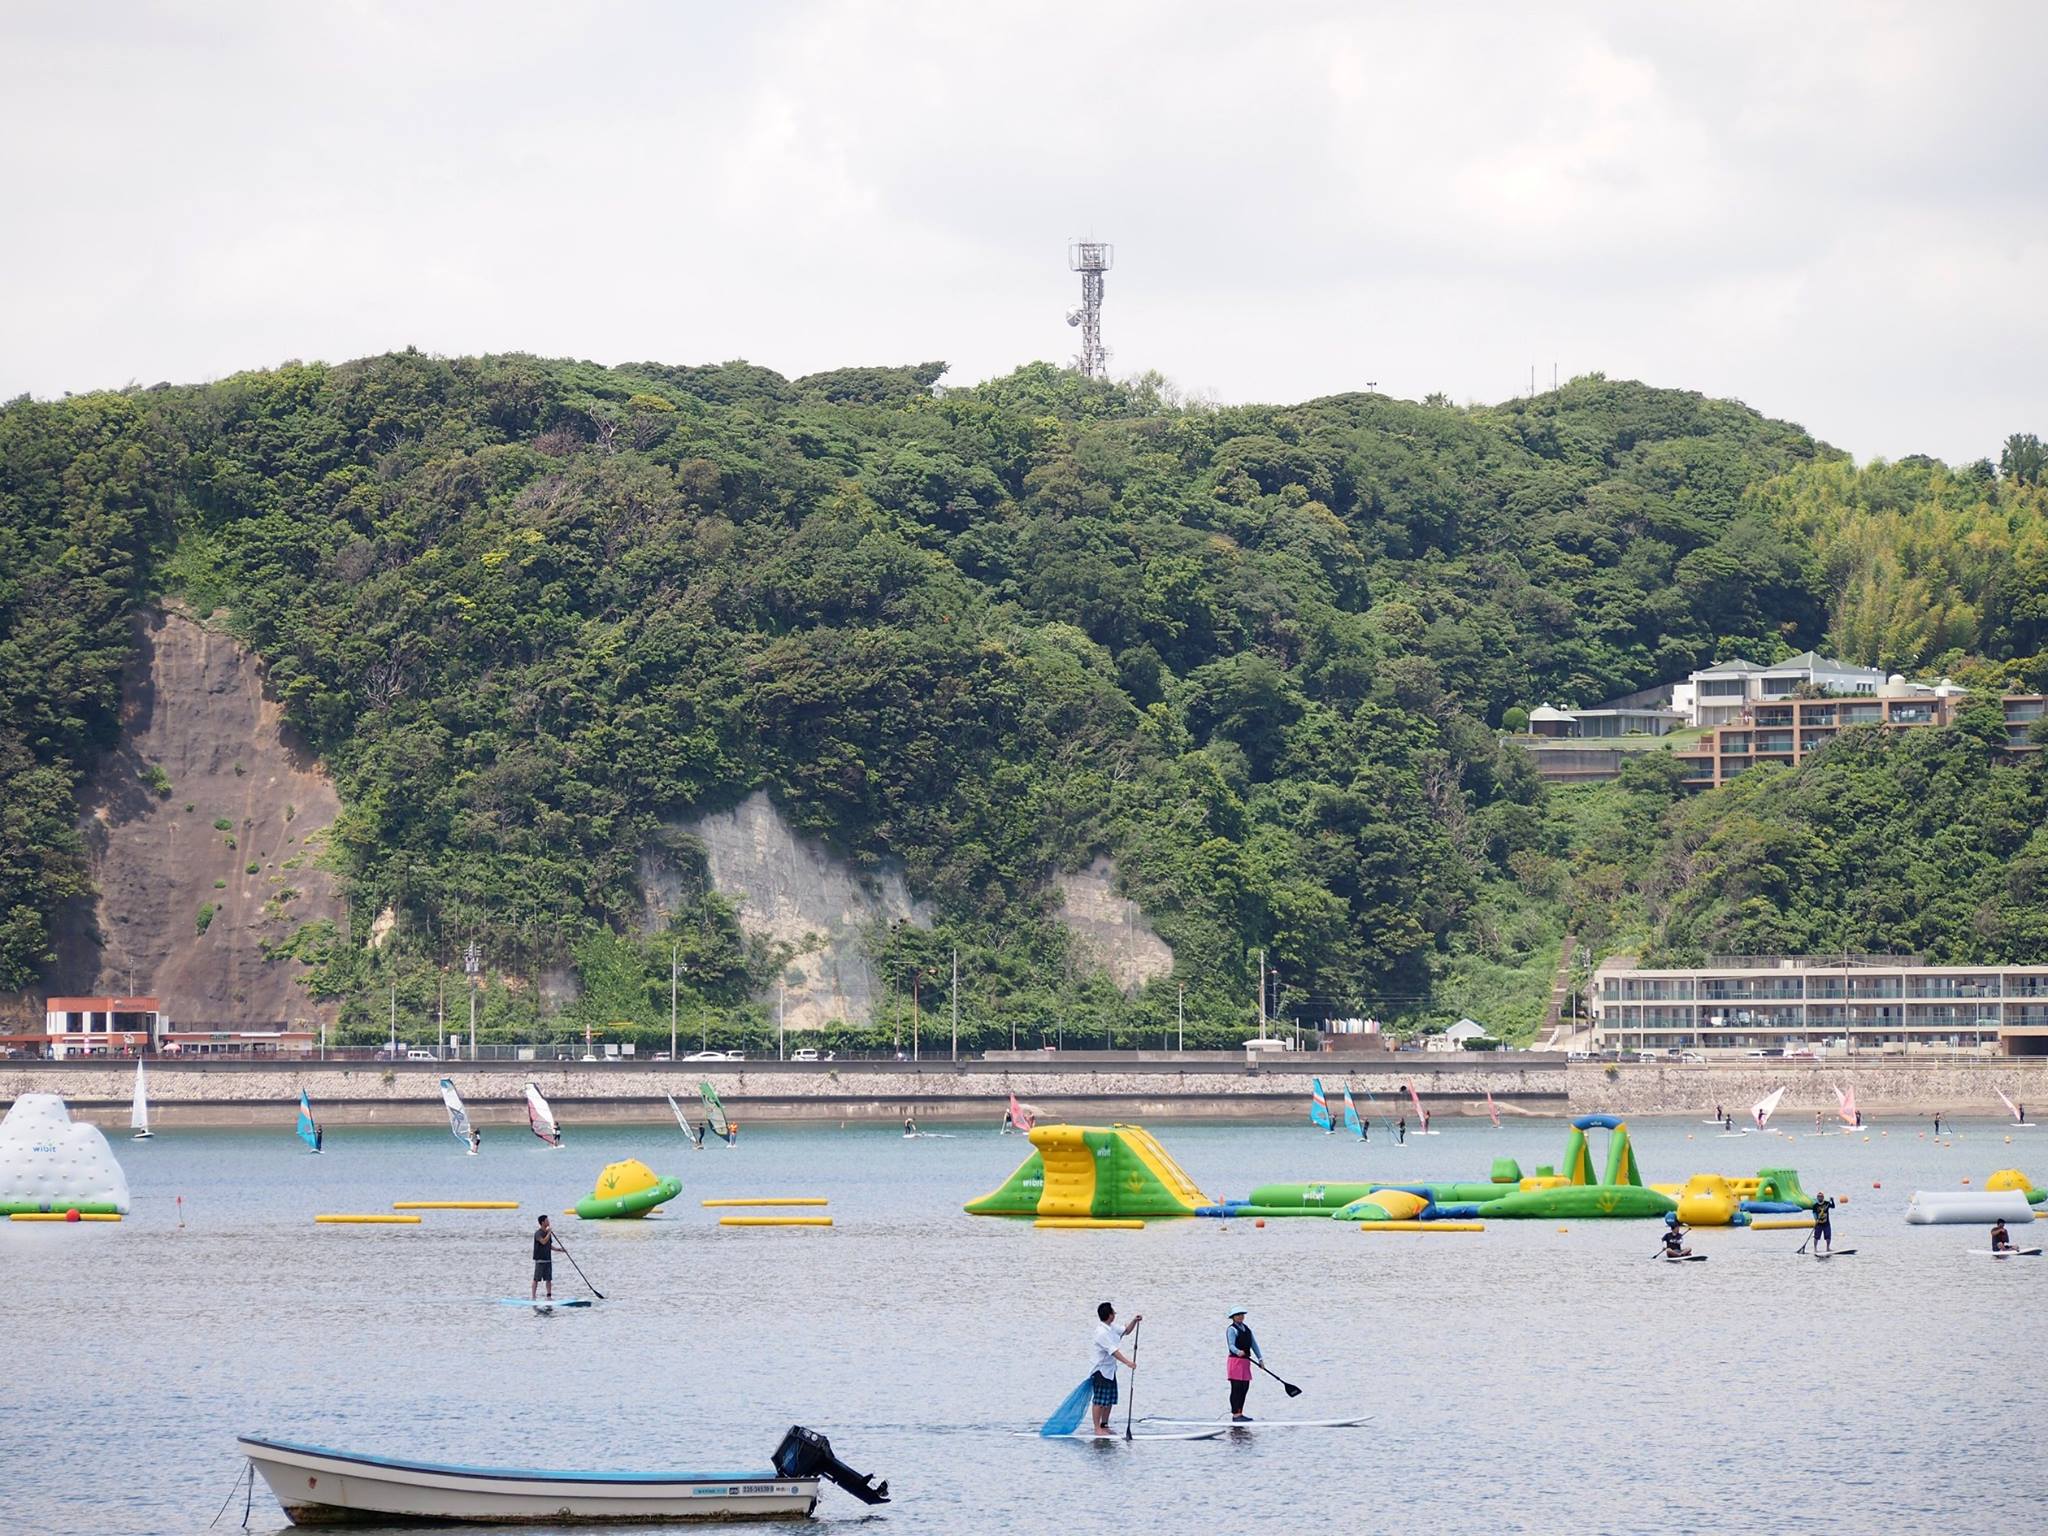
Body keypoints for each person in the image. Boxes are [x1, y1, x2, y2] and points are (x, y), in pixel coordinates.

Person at [1088, 1301, 1141, 1435]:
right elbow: (1113, 1351)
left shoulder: (1111, 1327)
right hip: (1100, 1371)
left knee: (1109, 1399)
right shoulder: (1101, 1332)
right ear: (1110, 1315)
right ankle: (1097, 1428)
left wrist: (1134, 1321)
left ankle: (1104, 1425)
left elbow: (1126, 1331)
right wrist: (1128, 1362)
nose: (1114, 1315)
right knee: (1099, 1401)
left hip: (1110, 1370)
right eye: (1113, 1312)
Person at [1225, 1309, 1262, 1422]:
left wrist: (1260, 1359)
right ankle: (1236, 1414)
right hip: (1235, 1361)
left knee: (1244, 1387)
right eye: (1238, 1315)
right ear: (1233, 1317)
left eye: (1242, 1315)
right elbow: (1231, 1345)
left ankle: (1240, 1412)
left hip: (1245, 1362)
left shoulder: (1247, 1329)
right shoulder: (1231, 1329)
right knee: (1236, 1388)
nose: (1241, 1317)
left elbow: (1254, 1344)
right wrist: (1237, 1351)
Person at [531, 1214, 564, 1300]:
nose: (548, 1222)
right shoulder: (538, 1233)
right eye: (547, 1220)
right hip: (540, 1260)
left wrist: (559, 1249)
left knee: (548, 1279)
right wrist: (549, 1232)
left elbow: (549, 1245)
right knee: (536, 1279)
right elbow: (543, 1242)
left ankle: (549, 1296)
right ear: (543, 1222)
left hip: (548, 1259)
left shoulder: (548, 1234)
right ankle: (533, 1297)